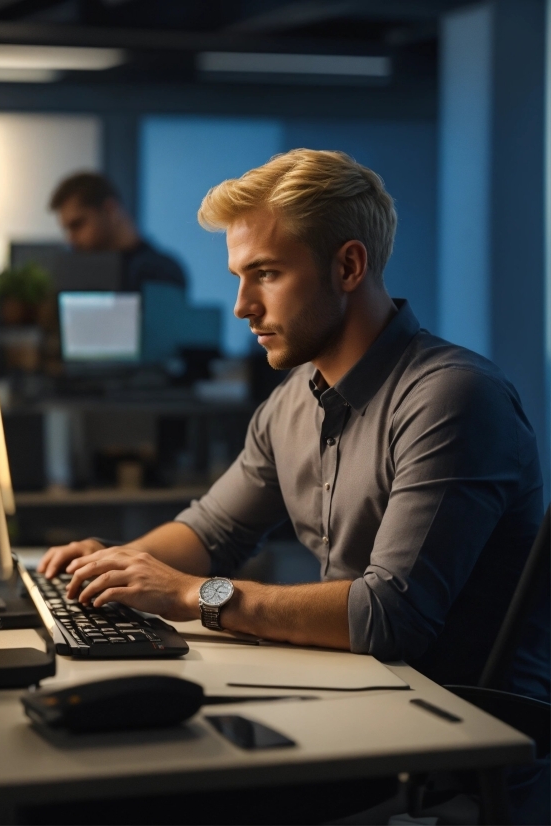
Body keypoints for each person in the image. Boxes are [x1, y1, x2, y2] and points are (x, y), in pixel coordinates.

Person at [39, 149, 548, 700]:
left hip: (460, 738)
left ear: (348, 267)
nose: (241, 306)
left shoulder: (452, 397)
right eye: (240, 277)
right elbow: (212, 532)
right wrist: (118, 568)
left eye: (266, 274)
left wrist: (193, 595)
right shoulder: (292, 402)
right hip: (360, 694)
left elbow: (391, 615)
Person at [49, 171, 186, 292]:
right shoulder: (76, 273)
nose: (70, 238)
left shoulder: (162, 272)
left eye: (78, 224)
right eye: (67, 229)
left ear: (109, 211)